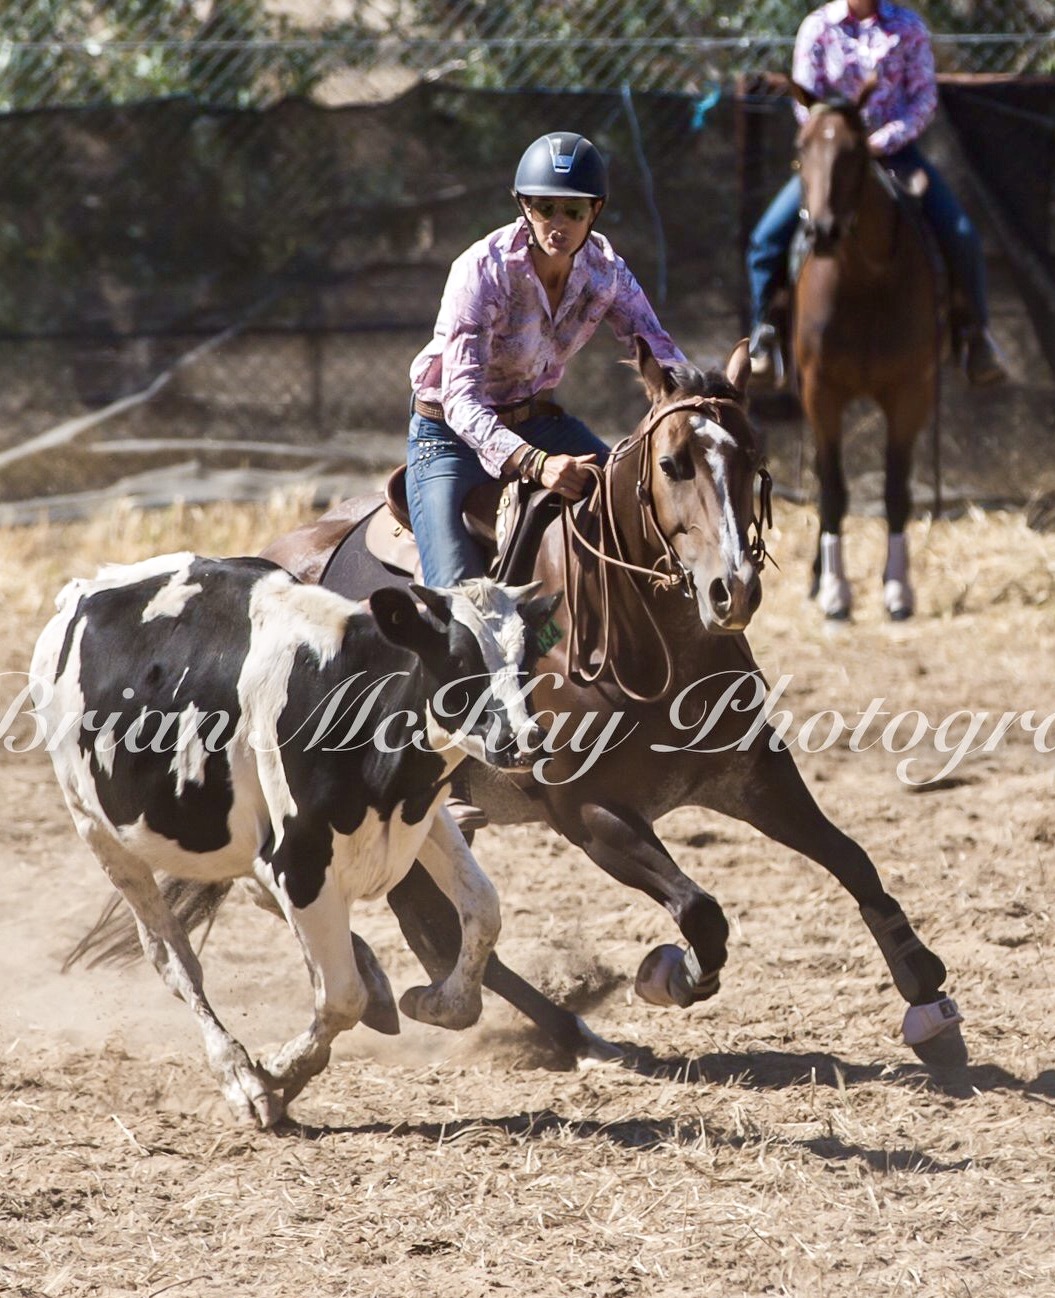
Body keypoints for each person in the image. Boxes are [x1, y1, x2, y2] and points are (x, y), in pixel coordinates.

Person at [407, 130, 686, 827]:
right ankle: (451, 773)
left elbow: (656, 348)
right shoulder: (481, 270)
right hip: (448, 436)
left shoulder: (606, 271)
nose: (557, 223)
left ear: (595, 213)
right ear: (522, 207)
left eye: (573, 210)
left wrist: (697, 403)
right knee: (456, 597)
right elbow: (462, 402)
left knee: (634, 508)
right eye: (543, 208)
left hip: (539, 418)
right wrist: (536, 465)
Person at [746, 0, 1007, 387]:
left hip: (895, 154)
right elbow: (805, 102)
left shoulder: (908, 27)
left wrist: (879, 142)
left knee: (962, 234)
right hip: (831, 157)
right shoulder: (817, 28)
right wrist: (841, 139)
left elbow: (923, 99)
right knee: (766, 239)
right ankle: (765, 333)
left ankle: (974, 336)